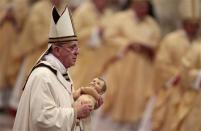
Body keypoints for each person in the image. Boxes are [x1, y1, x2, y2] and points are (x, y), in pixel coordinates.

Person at [12, 2, 103, 131]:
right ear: (57, 50)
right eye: (72, 47)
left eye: (77, 46)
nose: (77, 51)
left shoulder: (60, 72)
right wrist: (75, 112)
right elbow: (41, 118)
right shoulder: (43, 76)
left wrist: (82, 99)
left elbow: (59, 102)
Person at [152, 0, 200, 130]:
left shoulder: (199, 43)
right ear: (183, 25)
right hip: (174, 89)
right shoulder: (171, 39)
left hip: (193, 93)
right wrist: (177, 76)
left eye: (196, 26)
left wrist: (192, 77)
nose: (193, 29)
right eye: (191, 25)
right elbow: (162, 63)